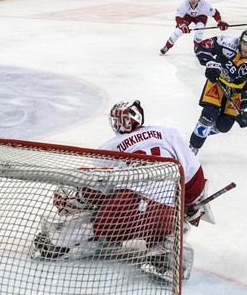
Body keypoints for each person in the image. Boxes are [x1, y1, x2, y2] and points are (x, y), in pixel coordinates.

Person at [30, 100, 214, 281]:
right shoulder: (168, 133)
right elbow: (193, 175)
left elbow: (100, 188)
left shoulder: (108, 147)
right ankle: (165, 251)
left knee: (97, 222)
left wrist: (78, 198)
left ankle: (60, 241)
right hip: (164, 211)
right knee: (171, 224)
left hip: (125, 209)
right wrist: (189, 205)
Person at [188, 27, 247, 155]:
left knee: (224, 126)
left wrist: (246, 111)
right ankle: (192, 149)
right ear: (240, 40)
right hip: (217, 82)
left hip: (236, 92)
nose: (246, 48)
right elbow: (201, 47)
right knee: (208, 115)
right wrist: (210, 63)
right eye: (244, 43)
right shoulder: (226, 41)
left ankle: (202, 131)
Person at [160, 0, 229, 54]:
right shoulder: (184, 4)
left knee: (200, 28)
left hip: (200, 16)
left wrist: (220, 22)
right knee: (178, 31)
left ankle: (197, 46)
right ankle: (167, 46)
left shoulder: (204, 5)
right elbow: (178, 17)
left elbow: (215, 13)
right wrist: (182, 25)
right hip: (188, 16)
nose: (193, 1)